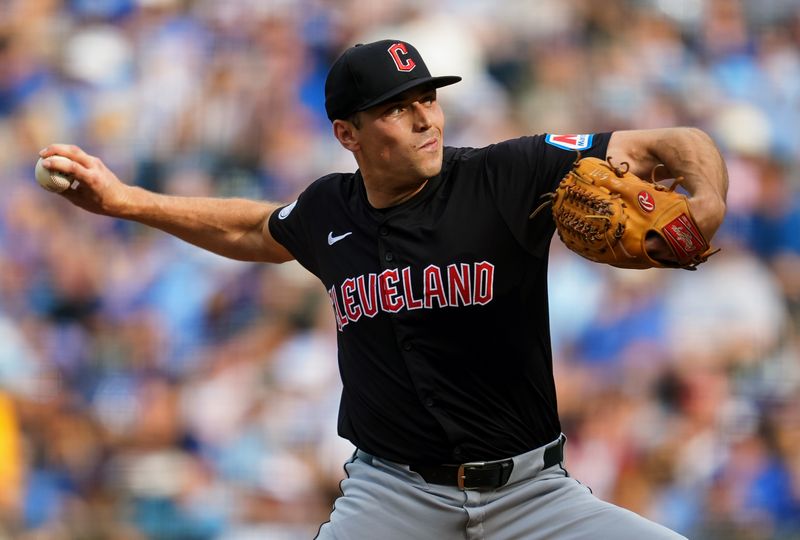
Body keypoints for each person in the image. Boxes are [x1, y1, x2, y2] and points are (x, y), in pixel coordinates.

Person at [39, 39, 727, 539]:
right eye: (398, 108)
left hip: (533, 497)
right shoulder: (328, 212)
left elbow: (675, 141)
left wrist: (707, 205)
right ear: (349, 134)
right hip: (391, 498)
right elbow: (254, 230)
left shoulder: (509, 173)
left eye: (428, 96)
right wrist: (128, 202)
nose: (426, 116)